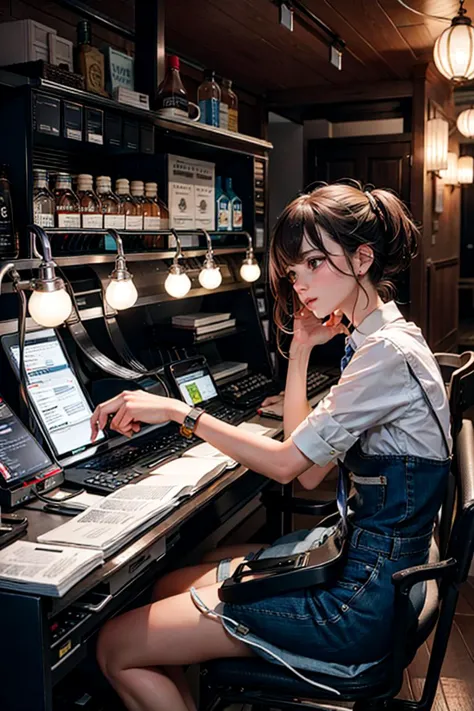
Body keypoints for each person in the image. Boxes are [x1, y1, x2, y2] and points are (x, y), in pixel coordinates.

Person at [92, 182, 452, 711]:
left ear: (362, 258)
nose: (300, 283)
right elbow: (307, 472)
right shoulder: (384, 339)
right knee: (170, 582)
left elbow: (286, 466)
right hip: (372, 570)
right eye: (293, 270)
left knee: (114, 647)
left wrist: (179, 412)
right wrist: (302, 347)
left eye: (313, 262)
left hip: (357, 601)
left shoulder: (385, 356)